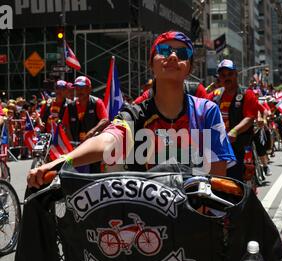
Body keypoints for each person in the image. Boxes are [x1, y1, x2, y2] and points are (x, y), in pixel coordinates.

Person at [28, 30, 236, 188]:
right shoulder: (134, 113)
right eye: (164, 50)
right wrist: (60, 162)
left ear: (189, 67)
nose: (172, 56)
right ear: (151, 64)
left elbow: (218, 179)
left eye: (182, 53)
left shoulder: (207, 111)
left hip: (196, 225)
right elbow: (107, 140)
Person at [207, 59, 259, 182]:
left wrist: (235, 131)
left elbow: (250, 118)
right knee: (217, 183)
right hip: (218, 148)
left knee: (241, 184)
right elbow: (200, 108)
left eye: (230, 74)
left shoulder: (247, 94)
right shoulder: (214, 95)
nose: (227, 78)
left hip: (239, 147)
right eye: (223, 75)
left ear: (236, 74)